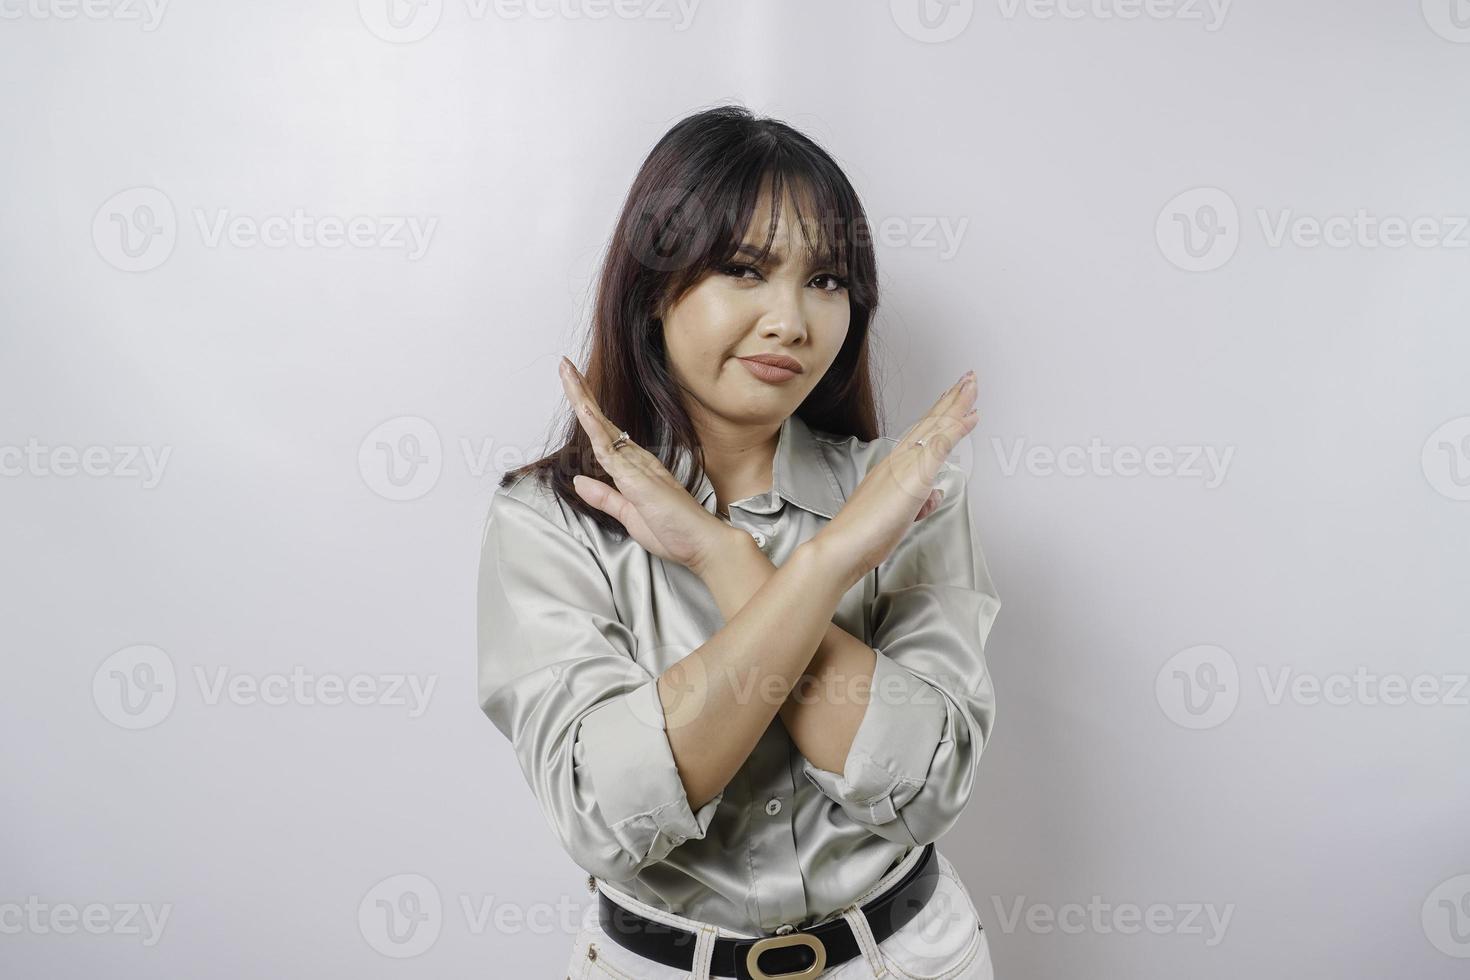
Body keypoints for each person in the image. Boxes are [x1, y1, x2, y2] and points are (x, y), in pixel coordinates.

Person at [478, 105, 1001, 979]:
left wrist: (723, 556)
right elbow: (607, 816)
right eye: (743, 269)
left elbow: (920, 783)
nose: (792, 321)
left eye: (827, 280)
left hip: (903, 959)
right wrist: (827, 565)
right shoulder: (549, 519)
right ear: (653, 285)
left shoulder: (906, 494)